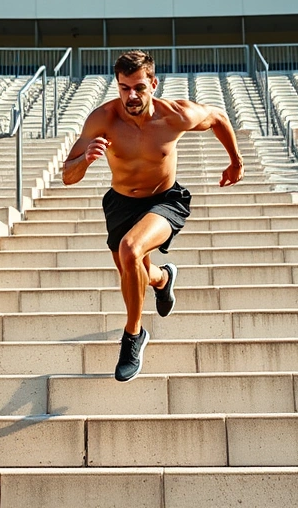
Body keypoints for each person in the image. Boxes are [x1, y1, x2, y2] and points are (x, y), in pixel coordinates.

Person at [62, 50, 245, 382]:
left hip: (165, 200)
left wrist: (235, 161)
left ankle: (133, 335)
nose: (131, 96)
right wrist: (84, 160)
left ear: (153, 83)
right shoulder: (102, 119)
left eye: (139, 88)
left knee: (130, 249)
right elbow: (67, 175)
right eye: (124, 88)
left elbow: (218, 117)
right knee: (137, 269)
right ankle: (164, 279)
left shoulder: (175, 115)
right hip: (120, 203)